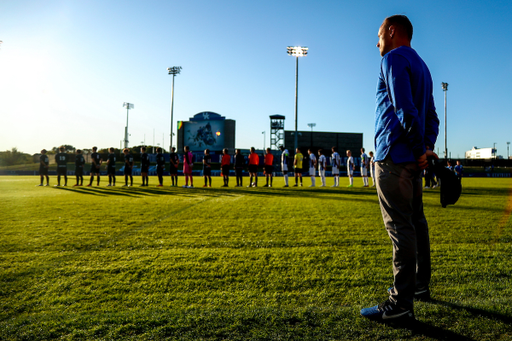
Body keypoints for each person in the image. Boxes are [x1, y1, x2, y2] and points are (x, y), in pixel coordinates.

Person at [360, 15, 440, 322]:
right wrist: (426, 148)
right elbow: (431, 115)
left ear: (392, 32)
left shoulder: (392, 58)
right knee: (416, 222)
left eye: (379, 34)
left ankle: (400, 304)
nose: (376, 41)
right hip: (412, 160)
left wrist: (420, 149)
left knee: (400, 228)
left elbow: (404, 108)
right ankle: (419, 287)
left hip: (394, 157)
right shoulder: (423, 65)